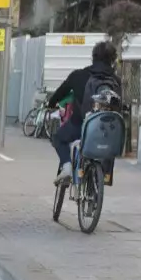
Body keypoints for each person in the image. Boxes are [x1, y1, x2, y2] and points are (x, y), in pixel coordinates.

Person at [48, 40, 120, 184]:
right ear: (112, 60)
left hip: (80, 125)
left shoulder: (78, 75)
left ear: (93, 56)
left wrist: (51, 104)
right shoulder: (116, 80)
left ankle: (67, 168)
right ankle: (103, 176)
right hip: (106, 132)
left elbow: (60, 93)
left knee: (59, 138)